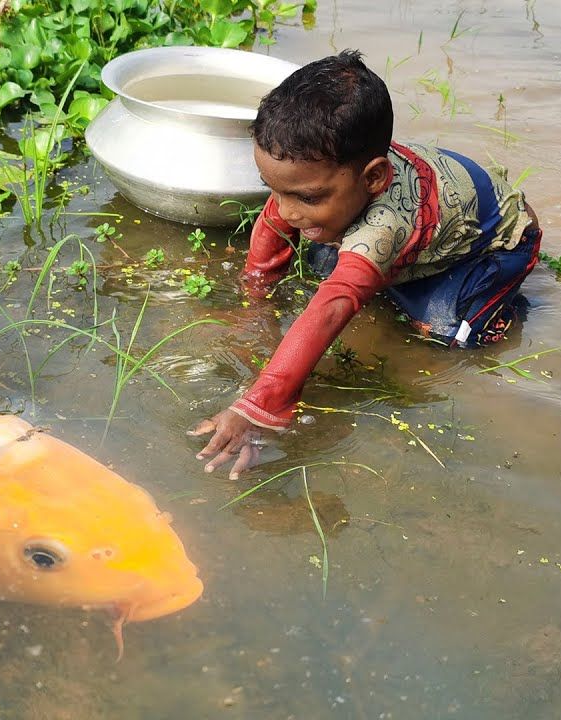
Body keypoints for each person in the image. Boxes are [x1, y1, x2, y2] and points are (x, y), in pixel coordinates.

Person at [190, 49, 542, 479]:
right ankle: (388, 273)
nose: (287, 210)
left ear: (374, 177)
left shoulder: (382, 224)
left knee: (448, 332)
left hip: (491, 247)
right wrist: (254, 302)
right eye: (273, 189)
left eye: (307, 197)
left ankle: (502, 311)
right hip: (421, 223)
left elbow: (333, 307)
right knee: (324, 255)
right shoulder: (323, 176)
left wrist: (260, 405)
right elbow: (273, 227)